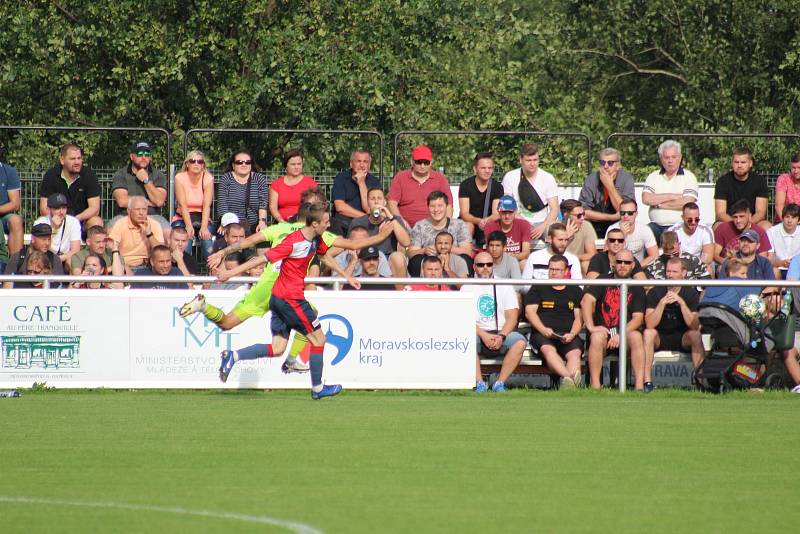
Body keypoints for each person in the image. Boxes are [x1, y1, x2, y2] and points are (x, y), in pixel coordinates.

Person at [179, 201, 393, 372]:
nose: (327, 222)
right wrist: (382, 234)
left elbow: (247, 243)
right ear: (312, 219)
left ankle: (204, 307)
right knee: (312, 315)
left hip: (264, 288)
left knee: (227, 324)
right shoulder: (316, 234)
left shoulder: (281, 228)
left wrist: (222, 253)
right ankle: (293, 361)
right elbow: (352, 245)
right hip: (284, 290)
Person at [219, 204, 356, 399]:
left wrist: (345, 276)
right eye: (326, 222)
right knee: (319, 339)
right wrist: (231, 273)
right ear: (314, 223)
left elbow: (324, 255)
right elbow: (261, 259)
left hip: (278, 298)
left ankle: (234, 356)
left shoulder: (315, 239)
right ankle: (317, 388)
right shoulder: (295, 240)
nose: (329, 225)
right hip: (290, 298)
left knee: (277, 348)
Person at [704, 258, 800, 392]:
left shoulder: (714, 287)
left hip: (721, 332)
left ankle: (748, 376)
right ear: (731, 274)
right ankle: (755, 379)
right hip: (738, 333)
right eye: (743, 274)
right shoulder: (741, 285)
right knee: (768, 340)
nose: (746, 277)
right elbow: (757, 302)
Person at [581, 249, 647, 390]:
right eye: (619, 262)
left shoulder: (637, 287)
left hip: (625, 333)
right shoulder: (602, 280)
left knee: (636, 336)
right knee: (597, 336)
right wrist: (591, 327)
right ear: (613, 264)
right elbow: (586, 301)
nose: (622, 265)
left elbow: (638, 319)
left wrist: (620, 334)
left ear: (633, 265)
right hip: (604, 333)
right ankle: (595, 386)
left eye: (627, 262)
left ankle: (639, 387)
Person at [464, 251, 527, 393]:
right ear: (474, 267)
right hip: (477, 333)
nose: (485, 267)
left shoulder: (504, 285)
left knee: (520, 342)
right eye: (481, 265)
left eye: (489, 264)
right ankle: (479, 383)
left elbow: (512, 317)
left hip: (501, 332)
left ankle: (500, 383)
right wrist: (484, 335)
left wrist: (502, 336)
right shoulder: (466, 287)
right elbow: (464, 318)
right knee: (466, 341)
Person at [643, 257, 704, 391]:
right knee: (648, 333)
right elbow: (649, 324)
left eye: (674, 272)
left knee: (696, 335)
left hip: (682, 337)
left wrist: (681, 303)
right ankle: (647, 382)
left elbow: (694, 325)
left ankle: (700, 381)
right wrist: (661, 304)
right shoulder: (656, 292)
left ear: (684, 273)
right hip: (660, 336)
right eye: (668, 271)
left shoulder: (691, 293)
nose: (670, 275)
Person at [524, 254, 584, 388]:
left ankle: (568, 384)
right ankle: (569, 379)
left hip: (568, 334)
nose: (553, 273)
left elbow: (579, 317)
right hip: (543, 334)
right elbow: (529, 312)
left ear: (566, 271)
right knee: (548, 350)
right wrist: (543, 330)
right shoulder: (538, 287)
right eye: (551, 269)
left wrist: (573, 334)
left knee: (575, 353)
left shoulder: (575, 290)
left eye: (558, 270)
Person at [641, 140, 699, 243]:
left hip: (680, 226)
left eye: (674, 157)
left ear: (680, 157)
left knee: (672, 239)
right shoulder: (653, 176)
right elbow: (646, 198)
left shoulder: (689, 177)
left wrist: (659, 204)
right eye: (667, 157)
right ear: (661, 159)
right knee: (643, 234)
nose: (670, 161)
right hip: (655, 226)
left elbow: (688, 202)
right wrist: (672, 196)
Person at [348, 187, 411, 278]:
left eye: (379, 198)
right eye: (372, 199)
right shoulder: (357, 222)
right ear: (367, 202)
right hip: (366, 258)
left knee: (398, 257)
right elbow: (350, 246)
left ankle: (400, 292)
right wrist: (380, 235)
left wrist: (390, 217)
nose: (376, 202)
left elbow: (406, 243)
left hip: (387, 258)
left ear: (384, 202)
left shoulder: (394, 219)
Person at [501, 143, 558, 242]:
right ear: (520, 160)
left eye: (535, 160)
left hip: (543, 223)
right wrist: (525, 224)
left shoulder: (548, 178)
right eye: (528, 160)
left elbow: (554, 209)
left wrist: (543, 226)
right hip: (517, 221)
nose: (532, 164)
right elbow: (507, 206)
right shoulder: (510, 177)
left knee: (556, 233)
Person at [407, 191, 472, 277]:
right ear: (428, 207)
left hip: (452, 262)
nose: (436, 210)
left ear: (447, 207)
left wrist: (444, 249)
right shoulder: (420, 225)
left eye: (440, 206)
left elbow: (467, 251)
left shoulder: (459, 224)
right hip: (429, 263)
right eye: (432, 206)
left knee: (465, 259)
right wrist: (424, 250)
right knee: (415, 261)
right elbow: (411, 252)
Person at [39, 143, 103, 230]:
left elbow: (95, 208)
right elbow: (44, 208)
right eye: (72, 159)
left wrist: (75, 219)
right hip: (57, 220)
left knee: (96, 221)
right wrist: (59, 219)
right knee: (43, 221)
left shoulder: (89, 175)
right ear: (62, 160)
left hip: (82, 221)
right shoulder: (51, 175)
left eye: (79, 158)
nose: (77, 162)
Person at [388, 145, 453, 227]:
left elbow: (449, 205)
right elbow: (391, 203)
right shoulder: (400, 177)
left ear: (431, 162)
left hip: (433, 226)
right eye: (419, 162)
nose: (422, 166)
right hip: (404, 226)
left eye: (426, 162)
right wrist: (400, 221)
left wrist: (444, 226)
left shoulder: (440, 179)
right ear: (412, 162)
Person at [578, 147, 636, 237]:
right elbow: (582, 212)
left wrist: (610, 186)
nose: (605, 166)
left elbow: (625, 211)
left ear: (618, 165)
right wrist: (611, 217)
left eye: (610, 163)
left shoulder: (626, 179)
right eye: (602, 162)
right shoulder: (591, 179)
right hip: (595, 224)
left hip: (620, 224)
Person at [110, 141, 168, 228]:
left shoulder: (158, 175)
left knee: (167, 232)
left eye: (147, 154)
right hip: (125, 216)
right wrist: (149, 202)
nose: (143, 157)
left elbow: (159, 201)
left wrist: (146, 181)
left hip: (152, 216)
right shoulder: (121, 174)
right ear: (131, 156)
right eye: (139, 154)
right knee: (111, 230)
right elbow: (122, 201)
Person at [714, 146, 770, 229]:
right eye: (736, 162)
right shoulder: (722, 182)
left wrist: (747, 224)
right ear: (732, 163)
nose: (739, 165)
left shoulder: (760, 181)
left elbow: (760, 213)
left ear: (750, 163)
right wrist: (737, 223)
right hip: (729, 222)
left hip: (752, 222)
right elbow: (720, 213)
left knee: (767, 226)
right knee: (718, 226)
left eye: (743, 162)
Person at [172, 150, 215, 258]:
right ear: (187, 164)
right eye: (193, 161)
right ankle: (184, 271)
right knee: (185, 239)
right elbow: (183, 205)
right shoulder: (180, 177)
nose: (196, 164)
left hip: (202, 217)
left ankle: (213, 271)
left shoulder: (208, 178)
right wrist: (188, 226)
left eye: (200, 162)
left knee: (207, 241)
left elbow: (207, 205)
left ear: (203, 165)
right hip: (183, 217)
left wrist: (204, 227)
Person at [217, 150, 268, 234]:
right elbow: (222, 204)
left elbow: (263, 204)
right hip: (230, 223)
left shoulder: (259, 179)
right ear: (233, 165)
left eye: (247, 162)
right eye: (239, 162)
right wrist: (225, 223)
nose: (244, 164)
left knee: (264, 240)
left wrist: (262, 222)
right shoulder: (226, 179)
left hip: (254, 223)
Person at [331, 149, 381, 235]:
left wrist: (361, 183)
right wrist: (365, 217)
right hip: (344, 222)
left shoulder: (374, 182)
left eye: (365, 162)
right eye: (358, 161)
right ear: (351, 163)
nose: (362, 165)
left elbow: (369, 208)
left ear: (369, 165)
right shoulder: (341, 178)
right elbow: (340, 207)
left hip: (367, 225)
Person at [458, 152, 503, 246]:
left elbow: (496, 213)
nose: (487, 171)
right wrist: (478, 221)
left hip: (489, 222)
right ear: (475, 169)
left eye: (490, 168)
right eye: (483, 168)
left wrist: (486, 221)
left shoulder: (497, 187)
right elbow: (464, 213)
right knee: (468, 226)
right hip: (470, 222)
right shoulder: (465, 185)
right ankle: (466, 255)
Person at [109, 196, 166, 269]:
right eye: (137, 209)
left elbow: (161, 252)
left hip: (147, 266)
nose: (141, 213)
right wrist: (124, 266)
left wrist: (149, 234)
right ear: (129, 211)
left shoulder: (155, 224)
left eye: (144, 209)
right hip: (124, 265)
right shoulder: (120, 223)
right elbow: (112, 247)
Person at [3, 223, 65, 288]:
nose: (47, 243)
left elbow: (59, 286)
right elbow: (7, 284)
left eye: (49, 239)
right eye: (43, 239)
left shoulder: (55, 259)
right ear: (33, 239)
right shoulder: (17, 258)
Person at [713, 199, 771, 264]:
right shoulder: (722, 228)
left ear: (749, 216)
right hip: (728, 266)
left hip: (752, 267)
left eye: (741, 216)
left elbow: (762, 258)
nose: (738, 221)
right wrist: (727, 263)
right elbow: (715, 255)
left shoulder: (759, 232)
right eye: (735, 217)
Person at [605, 197, 659, 266]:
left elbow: (654, 255)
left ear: (636, 214)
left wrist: (636, 268)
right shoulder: (612, 229)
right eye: (622, 213)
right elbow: (606, 256)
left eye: (630, 213)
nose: (626, 216)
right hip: (618, 268)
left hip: (639, 267)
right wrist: (622, 236)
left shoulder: (644, 229)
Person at [269, 148, 318, 223]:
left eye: (299, 164)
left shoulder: (310, 183)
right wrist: (281, 221)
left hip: (305, 223)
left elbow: (315, 205)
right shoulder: (276, 184)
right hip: (282, 223)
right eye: (293, 164)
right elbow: (273, 207)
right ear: (286, 166)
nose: (296, 167)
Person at [482, 195, 532, 267]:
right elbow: (490, 251)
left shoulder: (524, 225)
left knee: (524, 263)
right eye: (504, 212)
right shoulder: (490, 226)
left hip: (516, 260)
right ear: (499, 212)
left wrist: (510, 257)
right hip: (496, 261)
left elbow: (526, 253)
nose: (507, 216)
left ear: (515, 212)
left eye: (510, 212)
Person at [36, 193, 81, 268]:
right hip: (45, 257)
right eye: (57, 208)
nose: (61, 211)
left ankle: (74, 280)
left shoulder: (73, 222)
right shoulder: (40, 222)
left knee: (72, 261)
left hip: (64, 258)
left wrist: (58, 259)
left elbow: (75, 250)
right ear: (49, 209)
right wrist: (54, 229)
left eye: (64, 208)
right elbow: (43, 248)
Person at [645, 231, 710, 280]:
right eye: (667, 255)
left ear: (679, 244)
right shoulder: (655, 265)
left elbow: (706, 279)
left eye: (675, 254)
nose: (671, 257)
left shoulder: (692, 261)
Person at [667, 202, 714, 268]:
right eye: (690, 220)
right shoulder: (673, 231)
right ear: (682, 217)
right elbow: (671, 256)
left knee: (708, 268)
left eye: (697, 219)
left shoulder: (706, 230)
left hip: (699, 265)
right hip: (679, 266)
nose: (693, 222)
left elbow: (707, 259)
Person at [561, 199, 597, 275]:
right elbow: (555, 254)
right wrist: (567, 237)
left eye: (583, 214)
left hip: (577, 263)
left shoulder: (586, 225)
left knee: (586, 264)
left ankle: (588, 287)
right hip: (558, 265)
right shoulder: (554, 228)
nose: (582, 218)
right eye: (579, 215)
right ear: (565, 215)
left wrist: (572, 258)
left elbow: (592, 254)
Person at [767, 203, 800, 276]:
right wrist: (781, 263)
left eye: (793, 217)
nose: (789, 220)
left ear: (798, 221)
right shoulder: (772, 231)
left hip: (797, 269)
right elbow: (769, 258)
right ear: (782, 218)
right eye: (787, 217)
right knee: (774, 270)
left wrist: (794, 264)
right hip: (778, 268)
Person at [0, 157, 23, 255]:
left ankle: (14, 266)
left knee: (16, 220)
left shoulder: (9, 171)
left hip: (3, 217)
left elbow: (15, 204)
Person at [773, 151, 800, 222]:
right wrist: (789, 223)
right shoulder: (783, 179)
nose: (796, 171)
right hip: (784, 222)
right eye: (793, 167)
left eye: (799, 167)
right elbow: (779, 206)